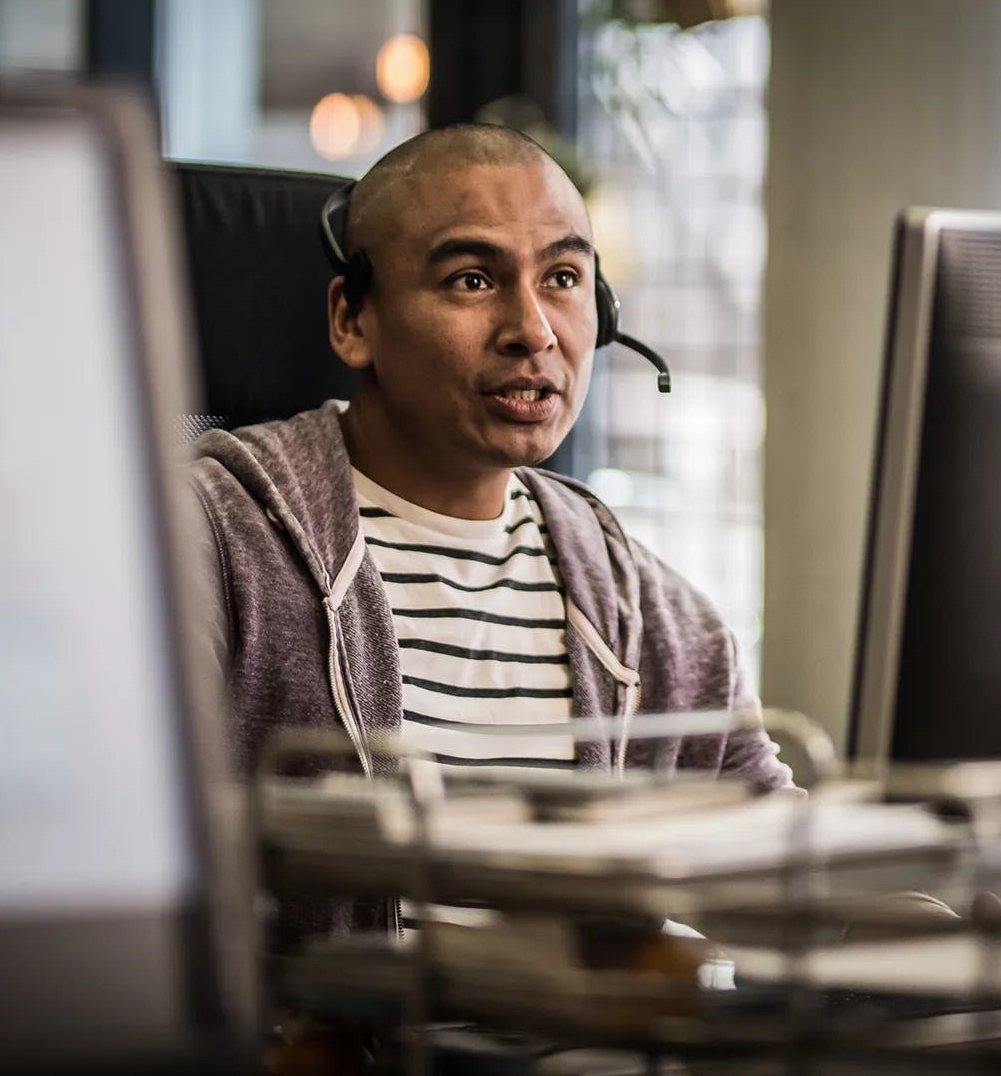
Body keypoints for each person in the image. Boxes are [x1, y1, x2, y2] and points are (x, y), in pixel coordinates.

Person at [186, 123, 794, 947]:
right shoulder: (208, 536)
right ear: (352, 320)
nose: (534, 331)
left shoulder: (638, 602)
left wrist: (955, 933)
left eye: (565, 278)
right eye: (473, 279)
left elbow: (785, 871)